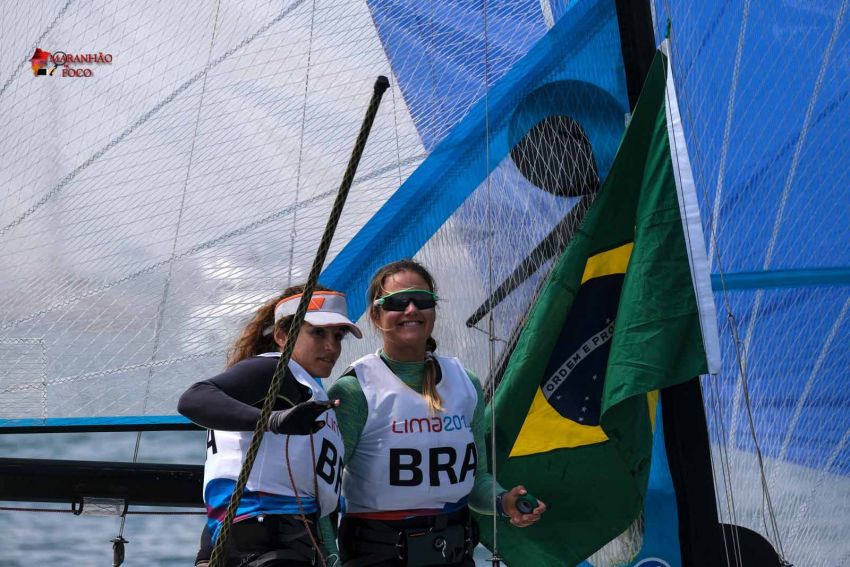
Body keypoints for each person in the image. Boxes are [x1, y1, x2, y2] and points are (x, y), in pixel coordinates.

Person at [329, 260, 546, 566]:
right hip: (376, 554)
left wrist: (503, 501)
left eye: (422, 300)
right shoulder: (353, 391)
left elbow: (477, 480)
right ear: (376, 316)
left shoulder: (465, 383)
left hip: (455, 551)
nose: (411, 310)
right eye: (397, 303)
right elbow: (320, 491)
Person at [178, 284, 362, 567]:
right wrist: (274, 421)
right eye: (318, 333)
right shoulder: (274, 371)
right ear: (281, 335)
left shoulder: (308, 390)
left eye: (338, 336)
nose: (332, 346)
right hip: (268, 545)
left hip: (274, 547)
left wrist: (206, 555)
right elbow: (193, 399)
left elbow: (230, 481)